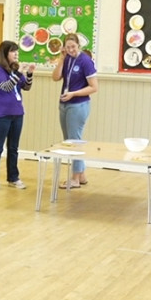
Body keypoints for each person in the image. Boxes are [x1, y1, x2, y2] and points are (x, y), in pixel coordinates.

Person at [51, 33, 98, 189]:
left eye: (73, 46)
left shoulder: (85, 61)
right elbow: (55, 77)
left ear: (79, 45)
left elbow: (94, 87)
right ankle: (81, 175)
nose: (71, 50)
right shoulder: (67, 58)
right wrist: (62, 58)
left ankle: (75, 178)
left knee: (74, 141)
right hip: (64, 103)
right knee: (69, 141)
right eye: (68, 47)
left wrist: (74, 94)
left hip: (78, 105)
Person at [0, 40, 34, 191]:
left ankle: (13, 177)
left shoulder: (14, 70)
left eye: (16, 51)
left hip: (17, 113)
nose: (16, 54)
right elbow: (6, 87)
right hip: (1, 114)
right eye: (13, 51)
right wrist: (19, 72)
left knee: (13, 148)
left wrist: (30, 73)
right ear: (5, 53)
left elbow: (26, 86)